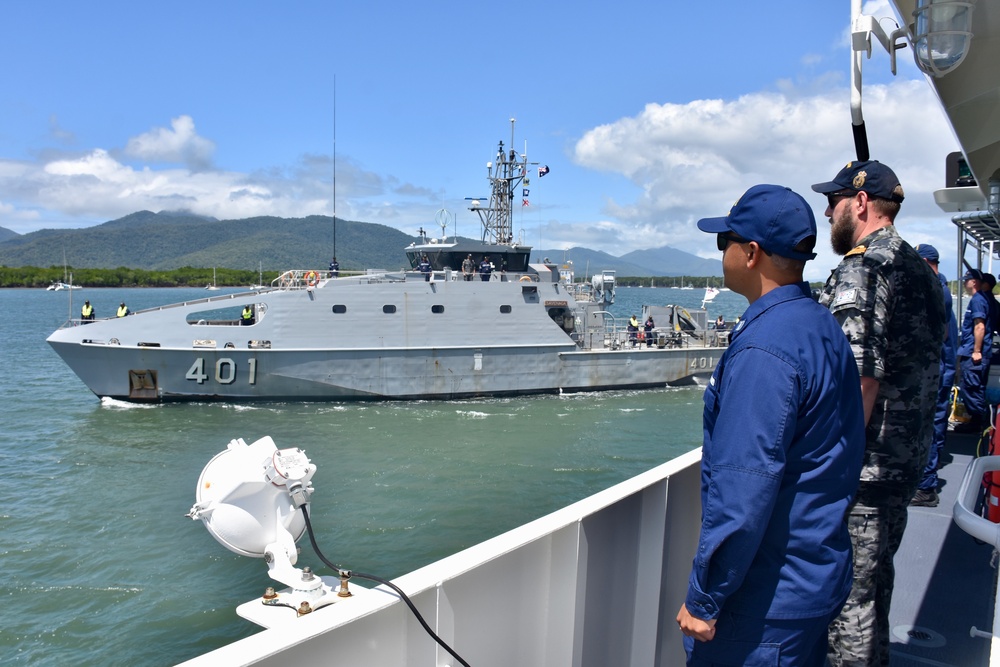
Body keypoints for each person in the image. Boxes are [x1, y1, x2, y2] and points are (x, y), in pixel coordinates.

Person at [677, 184, 865, 665]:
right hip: (811, 579)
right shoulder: (820, 325)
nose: (721, 253)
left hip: (764, 605)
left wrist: (704, 597)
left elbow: (743, 489)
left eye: (725, 242)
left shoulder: (765, 351)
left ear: (752, 253)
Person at [812, 160, 944, 666]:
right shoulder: (918, 268)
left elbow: (859, 378)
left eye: (834, 201)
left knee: (851, 610)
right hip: (901, 464)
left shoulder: (865, 267)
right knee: (875, 592)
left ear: (861, 203)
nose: (828, 212)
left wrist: (831, 472)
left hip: (864, 476)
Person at [911, 244, 958, 507]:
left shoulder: (933, 288)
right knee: (936, 422)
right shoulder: (941, 286)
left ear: (926, 261)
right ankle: (929, 470)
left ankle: (926, 486)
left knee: (926, 425)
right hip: (942, 366)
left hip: (933, 368)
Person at [955, 268, 992, 434]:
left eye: (967, 280)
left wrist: (976, 350)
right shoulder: (985, 299)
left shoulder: (978, 300)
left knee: (971, 387)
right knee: (974, 387)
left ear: (974, 282)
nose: (964, 283)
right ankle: (977, 422)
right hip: (975, 350)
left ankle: (977, 423)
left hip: (973, 352)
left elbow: (979, 326)